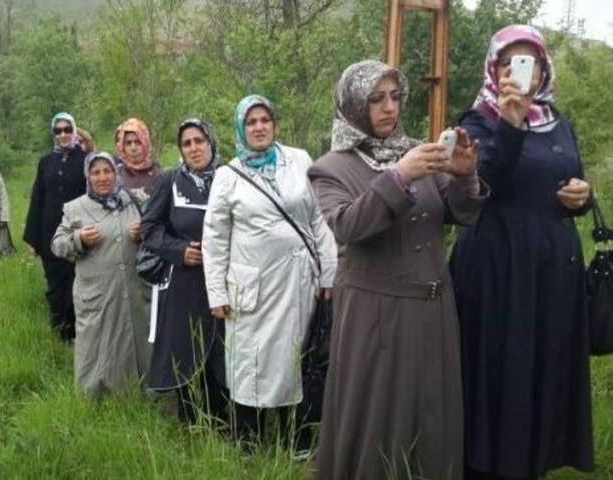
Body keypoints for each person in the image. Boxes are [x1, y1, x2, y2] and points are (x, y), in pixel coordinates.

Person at [308, 60, 486, 480]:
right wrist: (400, 175)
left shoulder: (419, 154)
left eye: (395, 97)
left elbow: (460, 214)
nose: (389, 107)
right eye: (376, 99)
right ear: (353, 106)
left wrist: (465, 177)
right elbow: (350, 226)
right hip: (376, 317)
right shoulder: (330, 168)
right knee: (376, 415)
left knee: (430, 413)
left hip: (433, 312)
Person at [449, 25, 593, 480]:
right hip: (498, 269)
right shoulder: (477, 122)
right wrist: (510, 123)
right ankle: (486, 467)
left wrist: (584, 197)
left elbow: (571, 176)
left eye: (528, 60)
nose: (518, 70)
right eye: (508, 61)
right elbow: (482, 184)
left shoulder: (558, 122)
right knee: (498, 369)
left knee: (543, 369)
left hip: (551, 272)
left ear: (543, 68)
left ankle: (534, 462)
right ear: (494, 67)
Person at [202, 95, 337, 450]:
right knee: (252, 364)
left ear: (274, 124)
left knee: (298, 361)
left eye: (265, 120)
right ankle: (250, 441)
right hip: (252, 291)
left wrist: (328, 272)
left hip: (298, 284)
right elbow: (214, 239)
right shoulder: (228, 176)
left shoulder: (299, 160)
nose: (259, 127)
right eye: (251, 122)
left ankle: (299, 438)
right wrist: (216, 293)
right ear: (241, 128)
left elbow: (318, 219)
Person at [142, 118, 228, 426]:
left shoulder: (229, 178)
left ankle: (224, 422)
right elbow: (149, 228)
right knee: (187, 350)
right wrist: (178, 251)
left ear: (211, 141)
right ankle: (192, 422)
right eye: (187, 143)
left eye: (199, 140)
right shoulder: (169, 181)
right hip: (185, 283)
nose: (194, 148)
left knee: (221, 352)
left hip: (224, 282)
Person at [51, 151, 151, 399]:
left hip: (135, 291)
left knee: (138, 342)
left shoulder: (135, 201)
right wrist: (79, 239)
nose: (102, 177)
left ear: (116, 174)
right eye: (96, 172)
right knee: (96, 348)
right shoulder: (76, 208)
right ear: (88, 176)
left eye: (107, 171)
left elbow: (157, 233)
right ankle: (94, 401)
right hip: (96, 295)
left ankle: (140, 395)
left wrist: (143, 235)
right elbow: (57, 244)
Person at [24, 112, 87, 342]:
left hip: (77, 231)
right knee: (54, 284)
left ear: (74, 130)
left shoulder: (85, 160)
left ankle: (76, 331)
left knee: (76, 281)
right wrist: (32, 239)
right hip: (48, 232)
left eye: (67, 129)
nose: (63, 134)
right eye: (58, 130)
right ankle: (58, 330)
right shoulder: (45, 162)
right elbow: (37, 198)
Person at [115, 118, 162, 204]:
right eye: (128, 143)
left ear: (145, 143)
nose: (133, 148)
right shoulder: (115, 175)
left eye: (138, 142)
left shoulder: (160, 175)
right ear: (122, 146)